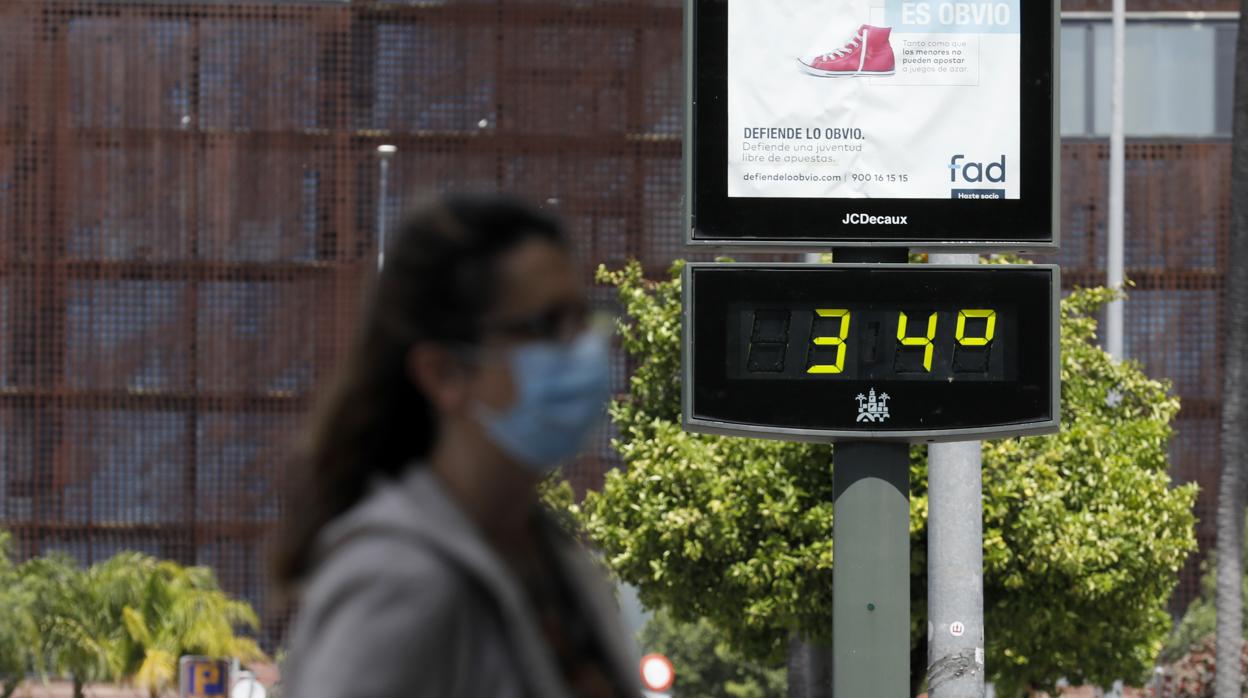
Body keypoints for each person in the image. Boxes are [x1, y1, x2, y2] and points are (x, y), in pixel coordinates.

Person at [274, 194, 640, 698]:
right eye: (549, 326)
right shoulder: (398, 580)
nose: (583, 351)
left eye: (583, 320)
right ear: (443, 373)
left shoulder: (550, 558)